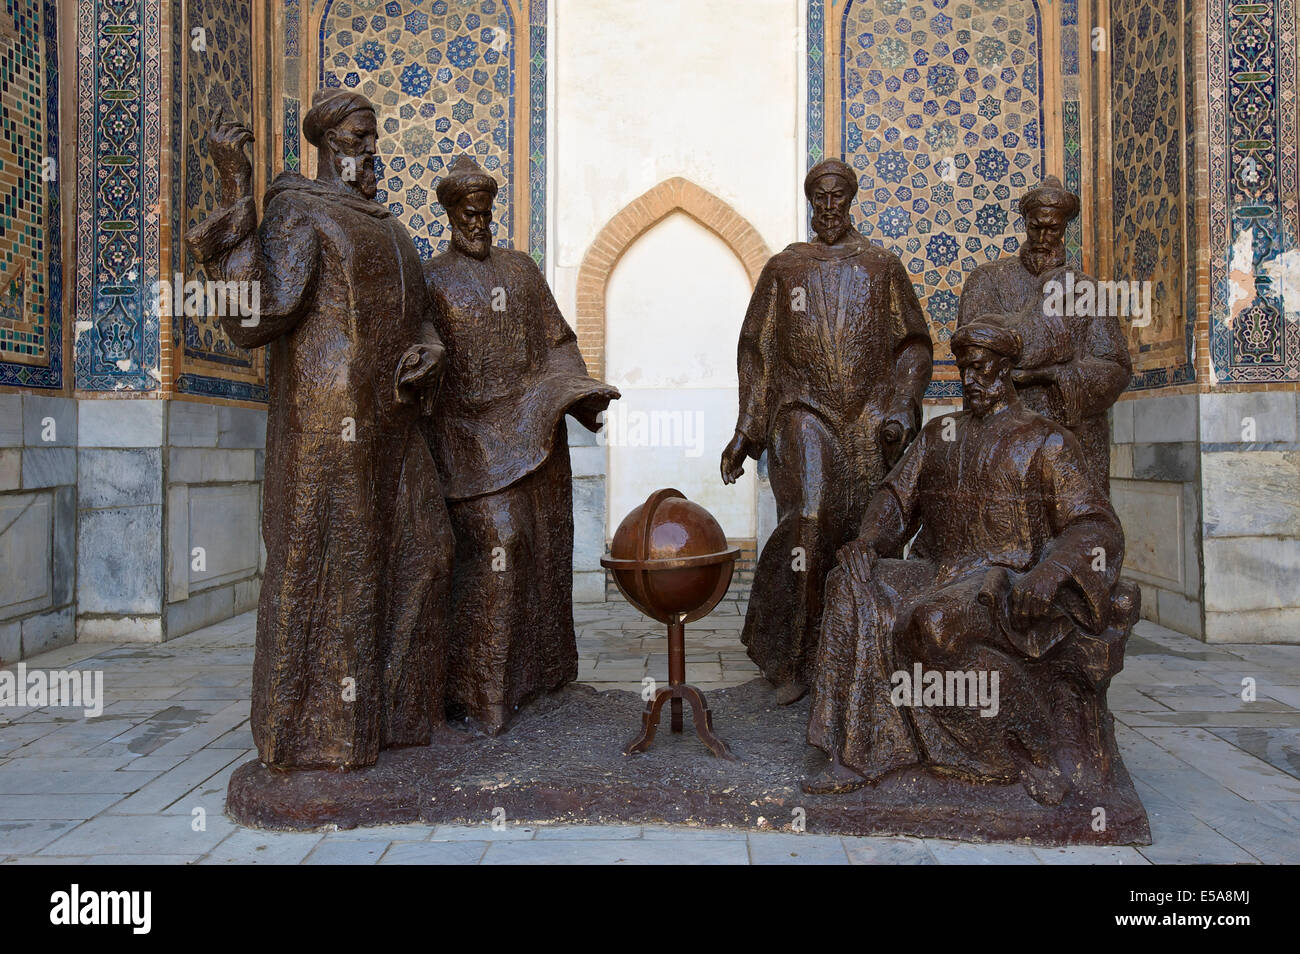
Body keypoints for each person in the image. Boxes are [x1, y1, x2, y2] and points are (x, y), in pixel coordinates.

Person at [185, 90, 455, 770]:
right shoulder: (299, 210)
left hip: (393, 420)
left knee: (427, 548)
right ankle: (314, 735)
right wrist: (233, 188)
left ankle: (393, 715)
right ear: (327, 141)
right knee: (334, 570)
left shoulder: (388, 225)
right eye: (360, 136)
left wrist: (431, 348)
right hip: (330, 422)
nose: (372, 149)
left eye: (373, 136)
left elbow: (419, 313)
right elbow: (256, 313)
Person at [805, 321, 1127, 805]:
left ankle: (1029, 749)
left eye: (980, 368)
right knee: (847, 583)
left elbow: (1095, 526)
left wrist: (1050, 572)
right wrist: (869, 542)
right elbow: (895, 498)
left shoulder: (1047, 441)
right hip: (939, 570)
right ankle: (857, 754)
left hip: (1004, 583)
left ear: (1007, 369)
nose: (970, 380)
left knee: (932, 623)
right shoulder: (942, 434)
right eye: (963, 370)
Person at [720, 158, 932, 704]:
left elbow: (912, 345)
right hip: (803, 411)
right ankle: (788, 656)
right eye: (820, 197)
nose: (829, 206)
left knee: (864, 533)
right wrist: (748, 429)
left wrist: (904, 405)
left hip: (866, 416)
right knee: (810, 518)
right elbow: (757, 350)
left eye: (838, 196)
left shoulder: (880, 267)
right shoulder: (786, 269)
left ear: (851, 199)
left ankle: (855, 657)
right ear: (810, 202)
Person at [423, 155, 620, 735]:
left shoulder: (522, 271)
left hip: (534, 434)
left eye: (484, 213)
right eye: (468, 213)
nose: (478, 222)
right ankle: (478, 691)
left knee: (543, 552)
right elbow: (422, 339)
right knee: (498, 549)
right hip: (469, 441)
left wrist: (578, 390)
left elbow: (557, 341)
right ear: (451, 213)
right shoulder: (431, 279)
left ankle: (539, 678)